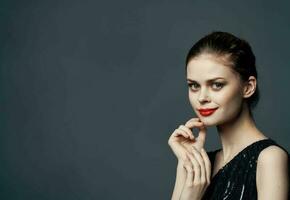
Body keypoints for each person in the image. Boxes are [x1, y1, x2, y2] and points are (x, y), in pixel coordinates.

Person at [168, 31, 289, 200]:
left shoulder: (269, 159)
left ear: (248, 87)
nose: (202, 97)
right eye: (194, 85)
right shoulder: (196, 165)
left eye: (217, 85)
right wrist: (190, 188)